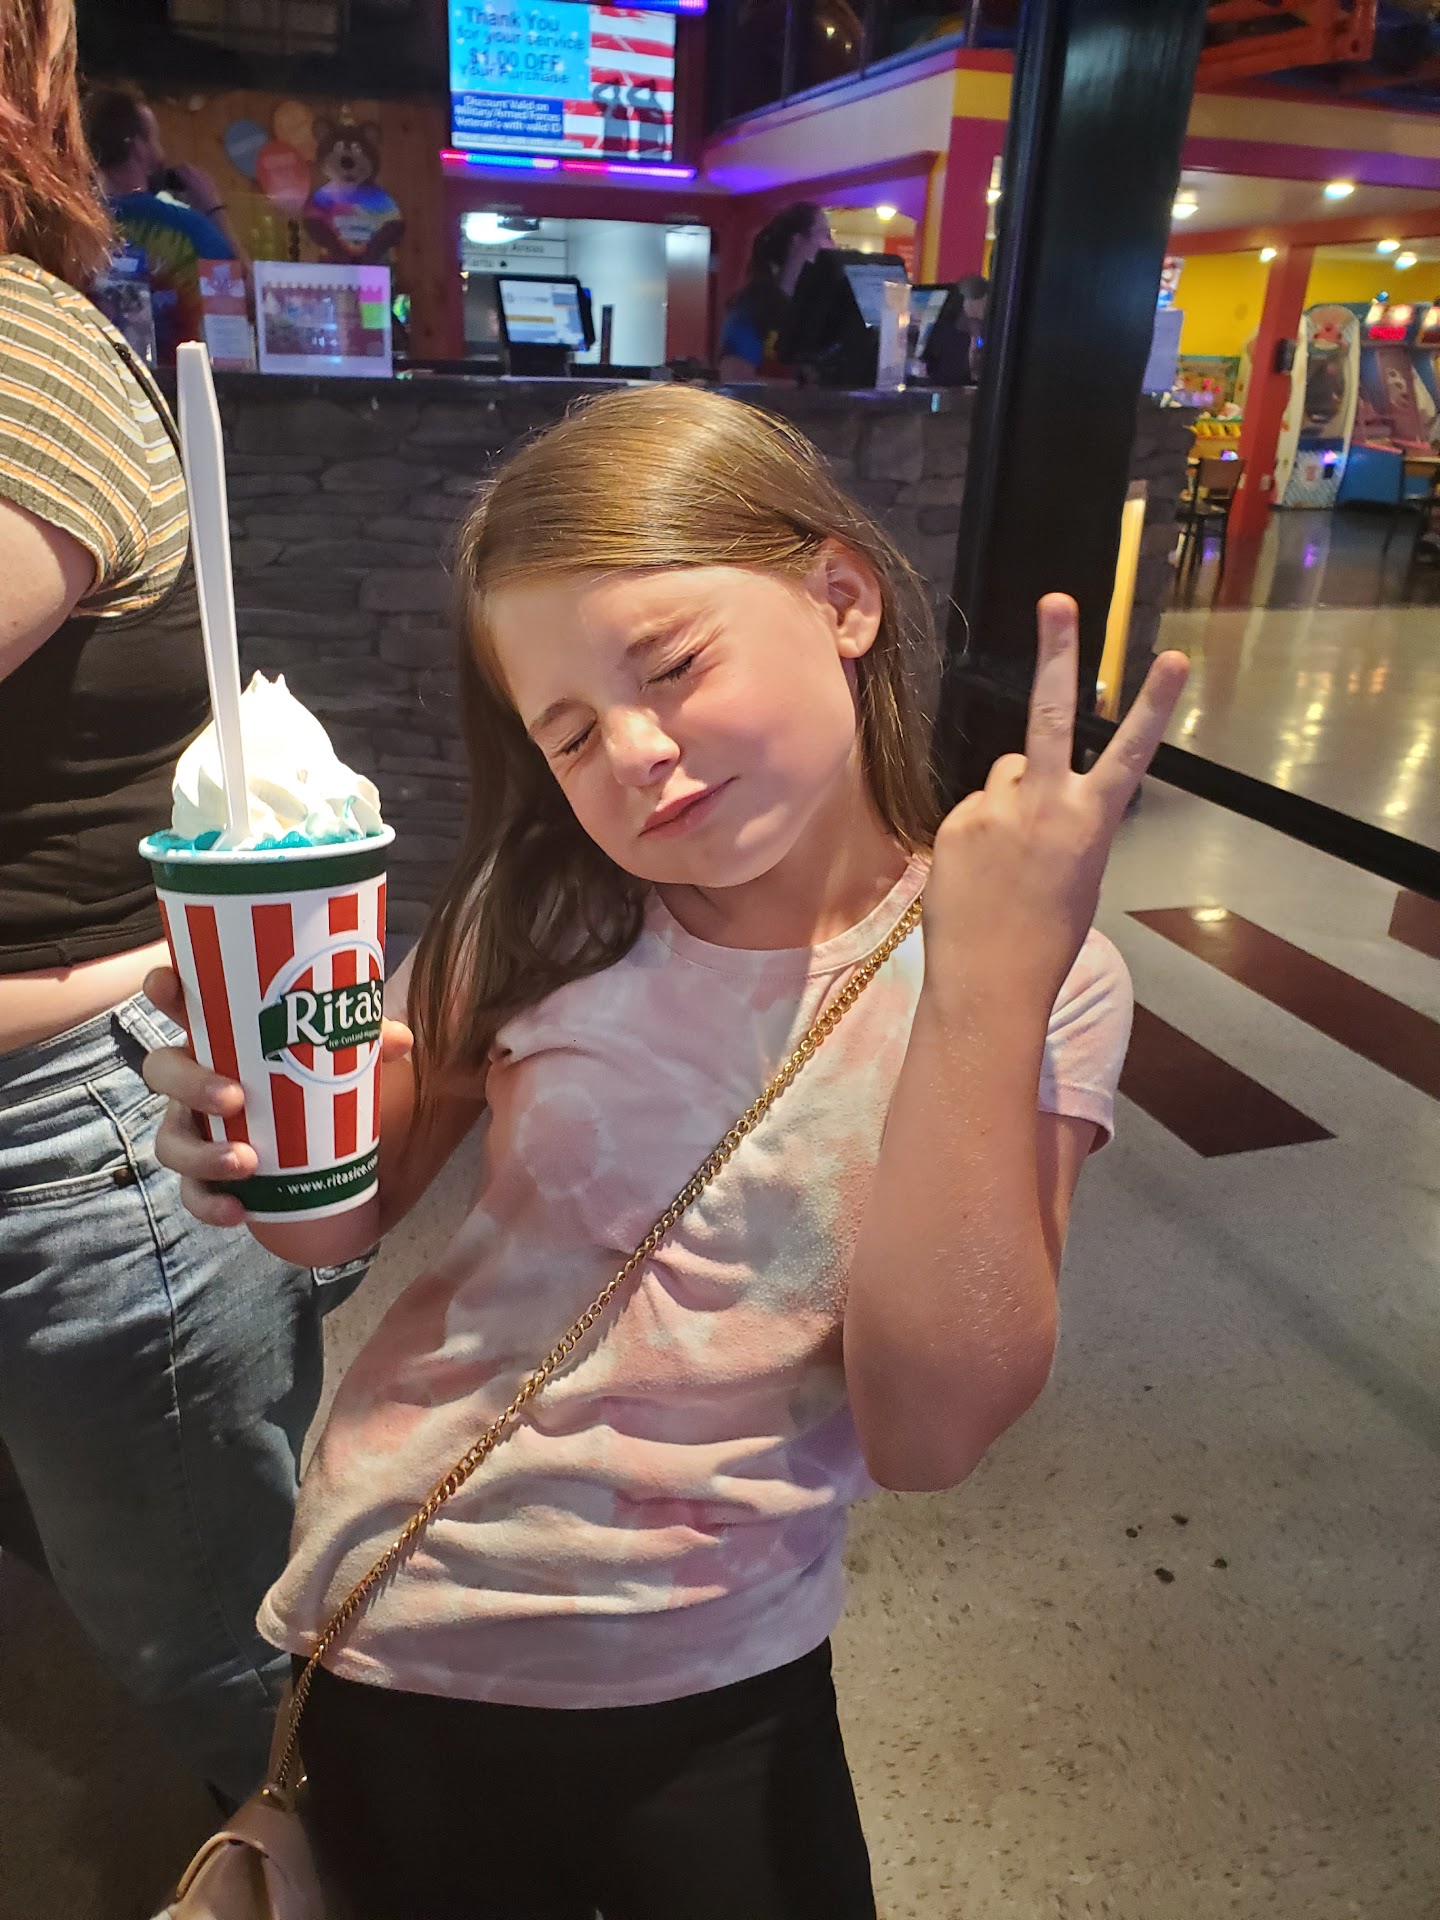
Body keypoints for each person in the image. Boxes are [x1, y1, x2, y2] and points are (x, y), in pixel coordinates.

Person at [146, 385, 1186, 1918]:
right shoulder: (540, 914)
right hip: (406, 1613)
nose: (632, 750)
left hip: (720, 1665)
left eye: (676, 664)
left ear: (841, 598)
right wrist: (250, 1130)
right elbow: (329, 1225)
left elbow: (930, 1431)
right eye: (567, 733)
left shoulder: (1045, 980)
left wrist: (984, 981)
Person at [0, 0, 361, 1806]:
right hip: (90, 1116)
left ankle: (321, 1858)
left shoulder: (16, 348)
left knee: (222, 1644)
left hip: (66, 1124)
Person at [82, 84, 238, 363]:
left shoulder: (74, 233)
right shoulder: (189, 228)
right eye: (155, 139)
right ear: (138, 147)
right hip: (176, 382)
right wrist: (213, 209)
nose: (161, 153)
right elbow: (245, 297)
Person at [718, 200, 832, 380]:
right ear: (797, 242)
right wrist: (800, 388)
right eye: (824, 234)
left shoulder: (815, 305)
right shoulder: (751, 306)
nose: (831, 245)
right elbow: (735, 378)